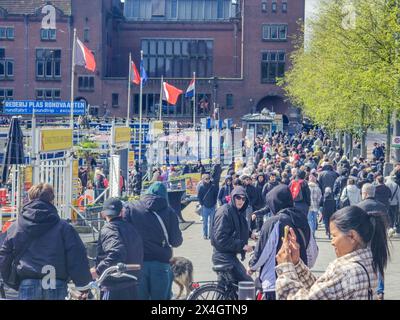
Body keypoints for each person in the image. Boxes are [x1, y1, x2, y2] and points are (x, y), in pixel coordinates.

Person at [275, 206, 389, 300]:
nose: (332, 242)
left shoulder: (345, 272)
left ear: (352, 236)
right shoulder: (367, 262)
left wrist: (285, 269)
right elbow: (323, 292)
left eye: (334, 236)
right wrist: (296, 264)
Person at [0, 183, 92, 300]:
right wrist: (83, 285)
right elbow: (76, 256)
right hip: (56, 283)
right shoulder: (64, 228)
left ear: (29, 198)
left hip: (28, 283)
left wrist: (12, 281)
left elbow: (4, 255)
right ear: (52, 200)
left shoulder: (15, 227)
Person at [248, 185, 318, 300]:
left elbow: (262, 252)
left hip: (274, 284)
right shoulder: (303, 221)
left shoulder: (274, 222)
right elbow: (312, 254)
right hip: (299, 286)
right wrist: (301, 267)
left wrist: (252, 266)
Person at [124, 182, 183, 300]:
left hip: (137, 263)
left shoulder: (131, 208)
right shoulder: (169, 212)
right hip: (161, 263)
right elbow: (176, 241)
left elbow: (123, 233)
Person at [92, 198, 143, 300]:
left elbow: (116, 253)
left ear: (103, 214)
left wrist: (97, 271)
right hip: (132, 285)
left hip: (114, 286)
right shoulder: (132, 228)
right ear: (122, 212)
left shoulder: (108, 228)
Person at [211, 186, 253, 284]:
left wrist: (251, 234)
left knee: (227, 290)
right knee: (248, 283)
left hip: (228, 254)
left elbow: (238, 227)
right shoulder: (225, 212)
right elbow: (221, 238)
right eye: (238, 197)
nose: (241, 201)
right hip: (223, 257)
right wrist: (242, 246)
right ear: (233, 197)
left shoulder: (235, 211)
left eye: (243, 198)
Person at [356, 183, 388, 300]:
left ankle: (366, 288)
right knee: (379, 265)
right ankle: (380, 290)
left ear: (364, 193)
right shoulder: (382, 206)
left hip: (365, 241)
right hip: (380, 240)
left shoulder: (359, 207)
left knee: (364, 265)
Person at [197, 174, 219, 240]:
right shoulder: (201, 187)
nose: (208, 180)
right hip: (205, 207)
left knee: (211, 222)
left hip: (212, 207)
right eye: (206, 179)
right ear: (203, 179)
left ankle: (210, 235)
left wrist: (215, 203)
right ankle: (205, 234)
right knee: (205, 222)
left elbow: (216, 195)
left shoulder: (213, 186)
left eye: (208, 178)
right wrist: (202, 204)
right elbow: (199, 197)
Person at [308, 173, 322, 237]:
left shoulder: (307, 187)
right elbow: (320, 198)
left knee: (310, 220)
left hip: (309, 206)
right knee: (314, 220)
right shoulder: (317, 188)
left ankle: (311, 233)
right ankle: (313, 232)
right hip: (316, 206)